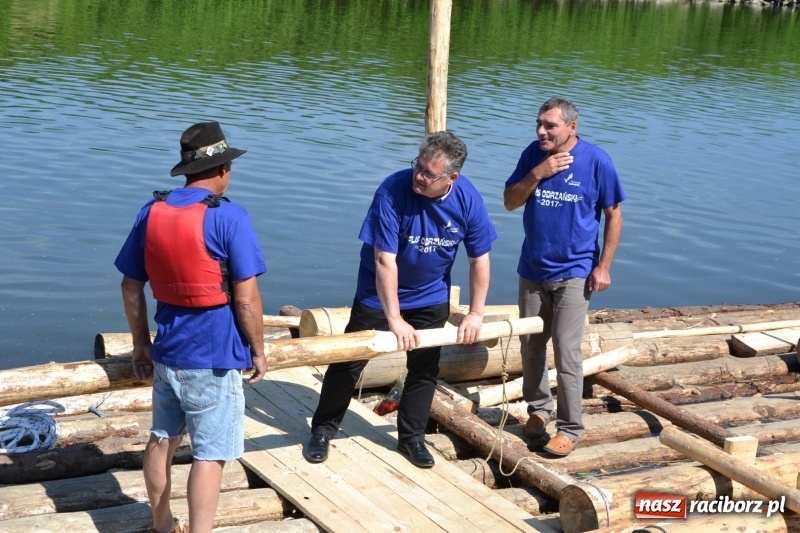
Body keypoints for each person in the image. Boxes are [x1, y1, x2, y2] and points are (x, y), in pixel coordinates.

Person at [303, 131, 497, 468]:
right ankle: (322, 429)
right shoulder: (392, 191)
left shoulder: (468, 200)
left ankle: (411, 439)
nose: (418, 177)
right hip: (378, 293)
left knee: (424, 367)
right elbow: (383, 260)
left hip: (430, 294)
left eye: (427, 173)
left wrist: (476, 313)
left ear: (451, 177)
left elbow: (479, 259)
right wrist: (394, 319)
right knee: (350, 360)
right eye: (417, 167)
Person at [115, 121, 268, 533]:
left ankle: (163, 525)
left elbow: (131, 287)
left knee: (162, 438)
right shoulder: (231, 218)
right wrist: (258, 350)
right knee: (210, 456)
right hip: (215, 359)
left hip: (168, 353)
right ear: (221, 171)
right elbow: (246, 299)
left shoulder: (152, 212)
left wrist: (140, 344)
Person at [503, 97, 625, 457]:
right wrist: (537, 173)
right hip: (532, 269)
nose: (541, 131)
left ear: (572, 127)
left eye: (550, 126)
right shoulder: (533, 155)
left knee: (566, 350)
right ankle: (539, 411)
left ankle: (571, 428)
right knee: (531, 346)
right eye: (539, 124)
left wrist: (603, 266)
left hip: (575, 271)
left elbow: (614, 216)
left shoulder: (597, 161)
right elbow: (510, 201)